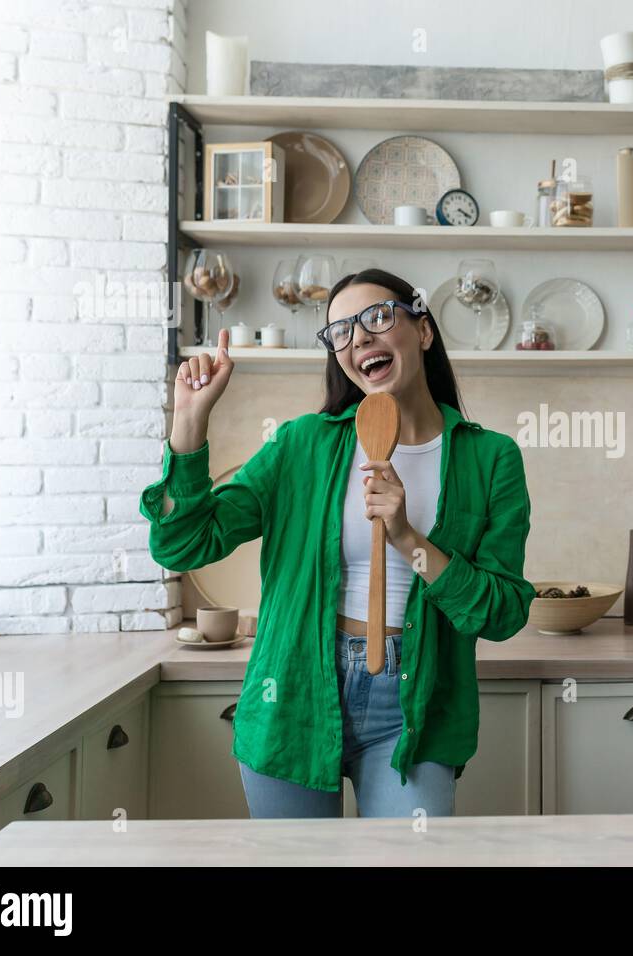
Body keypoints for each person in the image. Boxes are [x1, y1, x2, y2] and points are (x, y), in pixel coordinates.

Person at [138, 268, 535, 818]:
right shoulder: (303, 445)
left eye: (377, 317)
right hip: (296, 692)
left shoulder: (490, 458)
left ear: (422, 330)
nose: (360, 338)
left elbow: (504, 613)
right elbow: (183, 544)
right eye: (341, 331)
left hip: (413, 706)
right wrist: (188, 421)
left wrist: (409, 539)